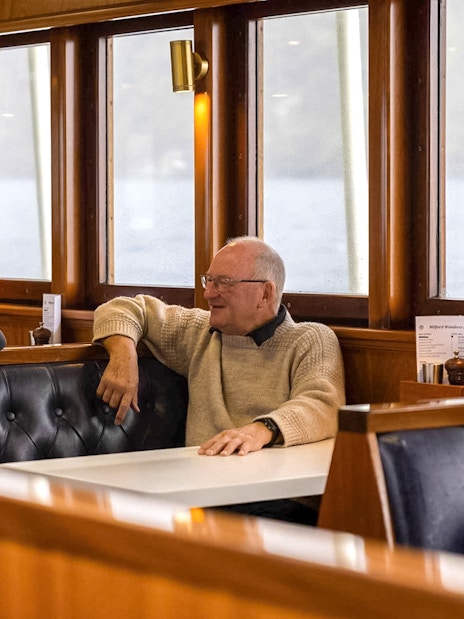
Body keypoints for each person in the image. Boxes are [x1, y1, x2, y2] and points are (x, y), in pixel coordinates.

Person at [93, 236, 345, 523]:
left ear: (266, 292)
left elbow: (323, 404)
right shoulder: (200, 331)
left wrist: (262, 430)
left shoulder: (310, 339)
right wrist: (124, 355)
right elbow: (124, 308)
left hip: (280, 498)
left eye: (224, 282)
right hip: (202, 496)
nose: (209, 294)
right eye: (208, 280)